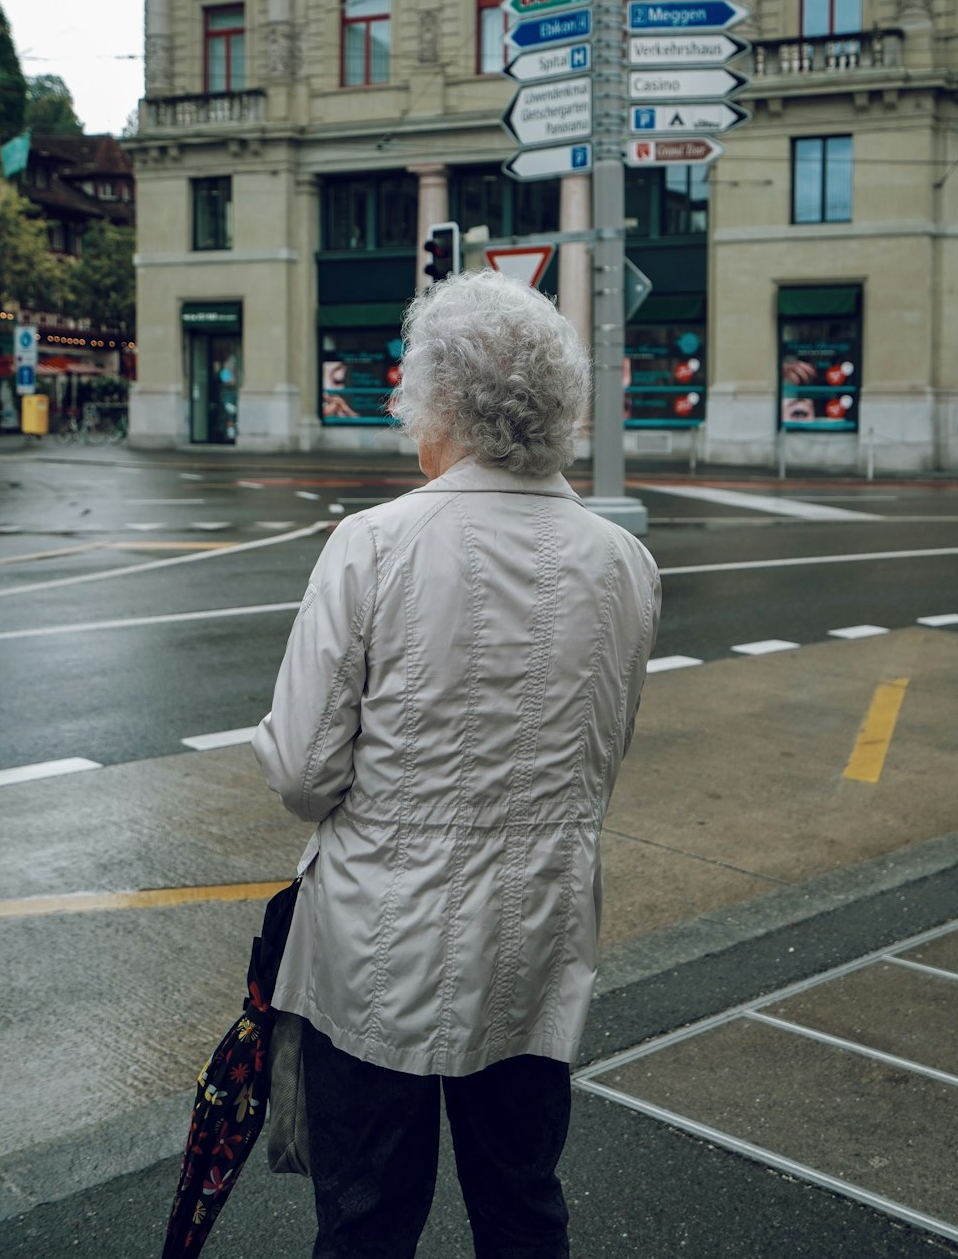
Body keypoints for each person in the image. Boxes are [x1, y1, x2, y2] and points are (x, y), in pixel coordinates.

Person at [252, 269, 661, 1259]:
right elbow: (596, 757)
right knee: (521, 1207)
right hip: (534, 944)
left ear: (441, 405)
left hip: (375, 954)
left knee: (366, 1222)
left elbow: (303, 774)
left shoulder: (374, 544)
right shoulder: (623, 564)